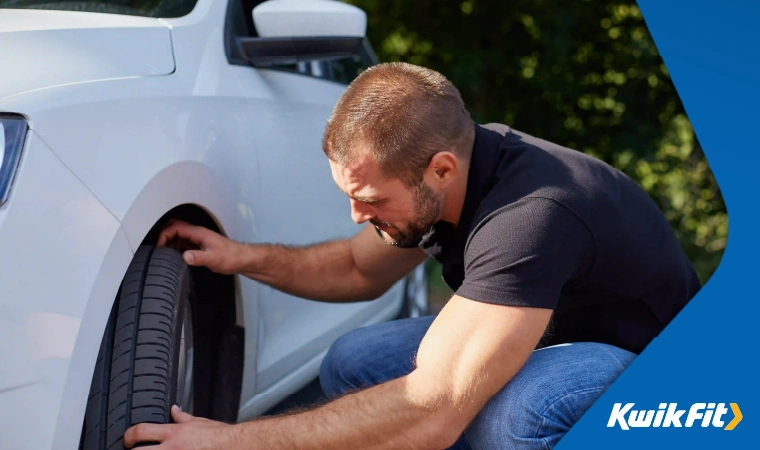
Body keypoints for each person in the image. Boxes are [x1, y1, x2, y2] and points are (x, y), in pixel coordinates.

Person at [124, 62, 700, 449]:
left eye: (371, 200)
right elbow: (354, 268)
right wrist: (240, 255)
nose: (357, 215)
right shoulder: (452, 177)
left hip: (649, 376)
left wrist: (232, 439)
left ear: (440, 170)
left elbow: (433, 407)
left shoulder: (532, 213)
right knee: (354, 359)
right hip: (550, 332)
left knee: (520, 415)